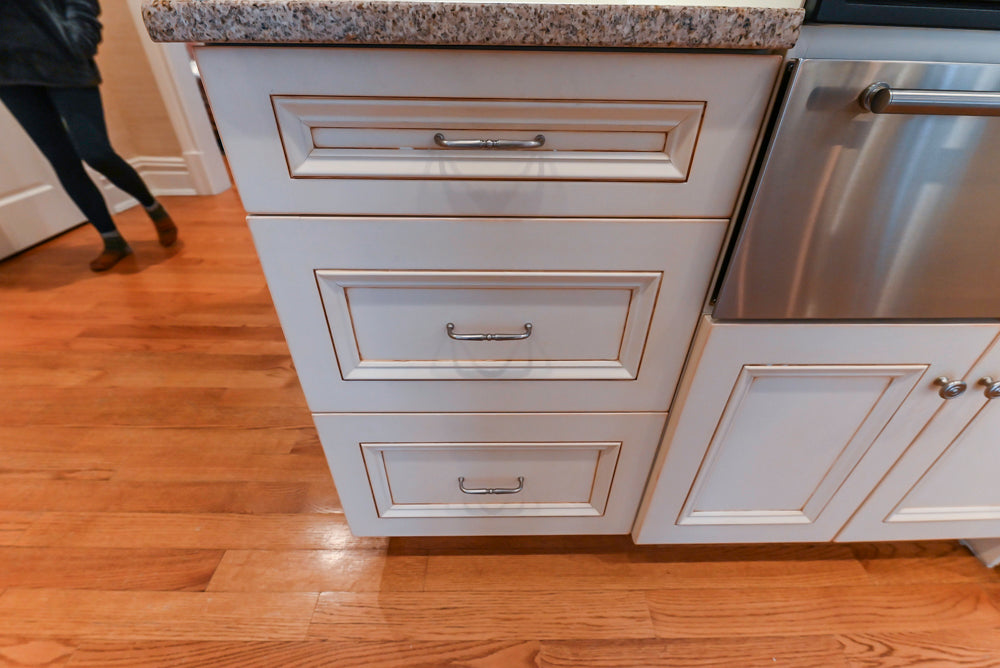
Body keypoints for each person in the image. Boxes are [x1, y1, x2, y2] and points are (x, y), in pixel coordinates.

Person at [0, 0, 178, 272]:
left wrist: (79, 37)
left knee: (96, 152)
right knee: (62, 161)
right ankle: (111, 239)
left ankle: (153, 208)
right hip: (11, 78)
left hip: (65, 64)